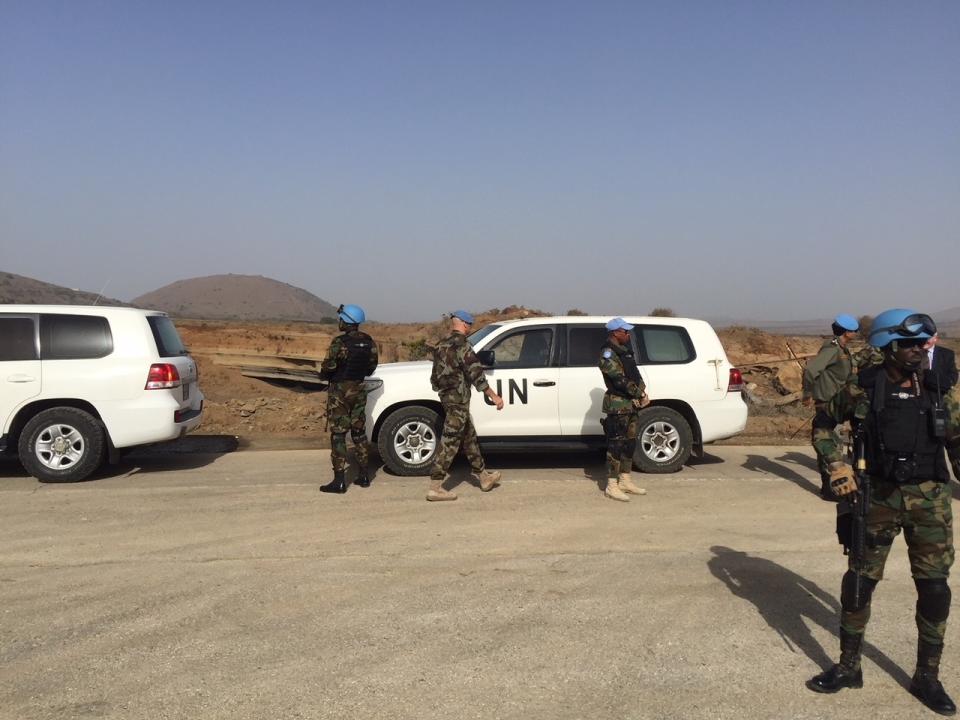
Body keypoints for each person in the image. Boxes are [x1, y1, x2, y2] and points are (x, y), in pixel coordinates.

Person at [807, 309, 958, 716]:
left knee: (935, 589)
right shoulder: (862, 388)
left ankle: (926, 677)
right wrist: (836, 465)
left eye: (921, 343)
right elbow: (822, 424)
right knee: (859, 584)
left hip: (930, 502)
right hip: (876, 498)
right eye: (908, 344)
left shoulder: (941, 384)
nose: (918, 350)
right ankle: (848, 666)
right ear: (887, 346)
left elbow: (957, 439)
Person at [426, 310, 504, 502]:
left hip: (447, 398)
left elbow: (434, 378)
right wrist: (494, 396)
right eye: (470, 324)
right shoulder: (463, 345)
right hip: (458, 400)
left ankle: (483, 477)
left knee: (469, 437)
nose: (470, 327)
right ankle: (435, 487)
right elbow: (476, 374)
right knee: (450, 440)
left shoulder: (440, 345)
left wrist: (443, 391)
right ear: (465, 324)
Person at [318, 304, 379, 494]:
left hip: (340, 391)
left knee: (338, 434)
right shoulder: (369, 342)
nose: (339, 322)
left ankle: (339, 481)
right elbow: (371, 367)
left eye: (341, 319)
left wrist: (326, 374)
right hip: (359, 389)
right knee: (359, 433)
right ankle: (364, 476)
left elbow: (328, 367)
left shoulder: (339, 342)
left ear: (347, 321)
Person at [803, 314, 861, 501]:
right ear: (846, 332)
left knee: (831, 444)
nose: (856, 333)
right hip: (827, 402)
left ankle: (830, 487)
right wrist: (808, 393)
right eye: (854, 331)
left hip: (838, 402)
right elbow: (811, 370)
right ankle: (829, 488)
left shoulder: (843, 349)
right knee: (829, 443)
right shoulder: (832, 349)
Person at [598, 317, 649, 502]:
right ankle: (612, 485)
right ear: (615, 332)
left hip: (630, 403)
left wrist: (641, 390)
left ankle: (625, 479)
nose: (628, 334)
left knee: (629, 442)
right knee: (616, 445)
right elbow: (619, 380)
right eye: (625, 331)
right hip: (618, 404)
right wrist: (639, 394)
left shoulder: (625, 352)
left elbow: (634, 374)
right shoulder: (608, 354)